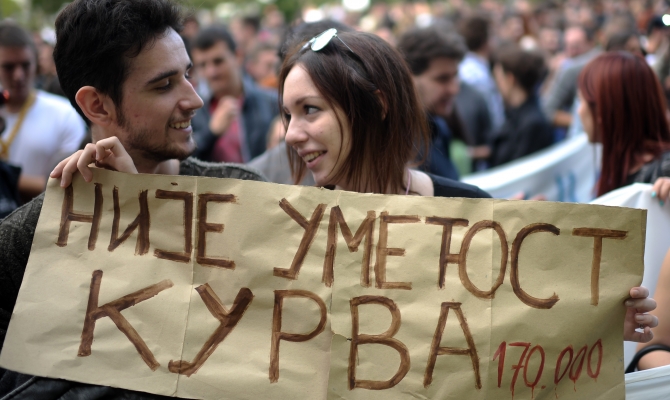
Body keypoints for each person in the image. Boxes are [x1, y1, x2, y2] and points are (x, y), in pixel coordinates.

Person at [0, 0, 263, 397]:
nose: (195, 99)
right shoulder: (35, 234)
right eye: (164, 85)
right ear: (97, 105)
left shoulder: (245, 197)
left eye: (188, 74)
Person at [0, 21, 86, 201]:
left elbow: (69, 183)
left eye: (25, 65)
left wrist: (8, 177)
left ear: (36, 64)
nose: (18, 75)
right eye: (8, 67)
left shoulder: (64, 114)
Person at [577, 52, 670, 199]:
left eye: (582, 101)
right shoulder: (619, 166)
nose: (579, 111)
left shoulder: (664, 172)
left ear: (602, 110)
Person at [190, 25, 278, 163]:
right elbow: (186, 162)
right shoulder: (192, 112)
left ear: (238, 56)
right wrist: (211, 133)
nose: (211, 72)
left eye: (218, 61)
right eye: (202, 65)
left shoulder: (271, 102)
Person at [397, 26, 465, 181]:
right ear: (408, 78)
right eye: (442, 79)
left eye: (455, 76)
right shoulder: (398, 147)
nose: (454, 89)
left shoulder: (438, 127)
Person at [488, 45, 554, 168]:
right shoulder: (516, 114)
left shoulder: (532, 124)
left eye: (498, 79)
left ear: (510, 79)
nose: (497, 85)